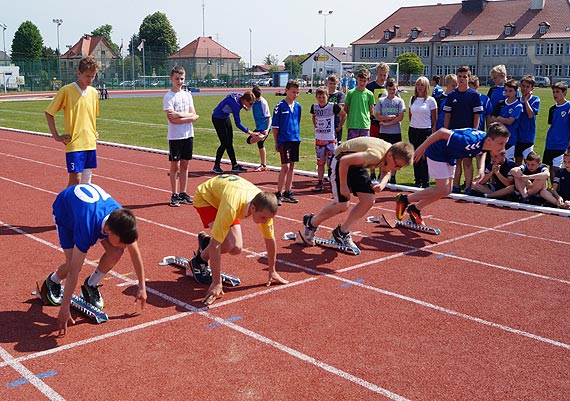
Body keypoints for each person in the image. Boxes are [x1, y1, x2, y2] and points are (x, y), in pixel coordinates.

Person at [43, 183, 147, 336]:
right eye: (122, 241)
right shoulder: (86, 228)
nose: (126, 246)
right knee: (72, 263)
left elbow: (135, 253)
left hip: (91, 212)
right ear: (107, 231)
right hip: (65, 212)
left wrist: (142, 286)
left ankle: (90, 285)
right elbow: (74, 271)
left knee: (117, 251)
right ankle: (52, 281)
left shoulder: (121, 221)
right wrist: (64, 308)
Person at [190, 175, 288, 305]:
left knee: (236, 248)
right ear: (253, 208)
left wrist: (272, 271)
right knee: (224, 243)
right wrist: (216, 282)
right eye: (263, 218)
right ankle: (197, 262)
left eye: (267, 219)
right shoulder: (231, 207)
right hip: (206, 198)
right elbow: (216, 245)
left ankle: (204, 244)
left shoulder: (264, 205)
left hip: (225, 196)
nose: (265, 222)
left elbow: (270, 240)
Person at [299, 138, 414, 249]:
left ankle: (342, 232)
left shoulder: (391, 153)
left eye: (401, 167)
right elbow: (345, 161)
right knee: (342, 205)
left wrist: (382, 184)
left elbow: (386, 171)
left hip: (356, 164)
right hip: (341, 161)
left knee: (368, 201)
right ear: (390, 156)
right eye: (397, 166)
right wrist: (344, 186)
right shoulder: (375, 155)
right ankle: (311, 223)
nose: (398, 169)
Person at [395, 122, 511, 226]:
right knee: (442, 189)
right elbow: (441, 132)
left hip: (450, 155)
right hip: (437, 152)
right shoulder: (468, 141)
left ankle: (415, 208)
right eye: (501, 143)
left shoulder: (486, 142)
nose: (503, 148)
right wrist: (421, 148)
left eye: (504, 144)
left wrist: (480, 169)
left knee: (447, 190)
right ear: (490, 140)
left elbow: (482, 151)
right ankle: (405, 199)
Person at [45, 56, 100, 187]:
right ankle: (69, 206)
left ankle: (83, 207)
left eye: (93, 76)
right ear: (79, 73)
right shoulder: (67, 91)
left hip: (90, 143)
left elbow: (91, 116)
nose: (90, 80)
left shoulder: (93, 92)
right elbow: (49, 113)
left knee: (87, 180)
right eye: (87, 76)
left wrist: (94, 132)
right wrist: (56, 136)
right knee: (75, 179)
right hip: (74, 143)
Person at [163, 66, 200, 207]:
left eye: (182, 79)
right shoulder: (168, 96)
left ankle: (183, 192)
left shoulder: (187, 95)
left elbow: (194, 114)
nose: (179, 81)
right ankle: (174, 194)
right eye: (177, 79)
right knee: (175, 165)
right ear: (171, 79)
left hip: (188, 134)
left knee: (185, 164)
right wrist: (189, 117)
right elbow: (172, 119)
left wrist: (180, 115)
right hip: (175, 136)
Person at [443, 66, 483, 195]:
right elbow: (447, 115)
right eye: (459, 76)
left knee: (467, 161)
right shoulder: (451, 95)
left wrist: (474, 132)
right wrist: (445, 131)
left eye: (464, 77)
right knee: (456, 161)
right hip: (455, 133)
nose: (461, 79)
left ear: (469, 78)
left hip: (468, 133)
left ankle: (468, 187)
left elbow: (477, 115)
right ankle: (455, 186)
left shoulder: (474, 95)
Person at [310, 86, 346, 192]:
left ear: (327, 97)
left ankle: (333, 182)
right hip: (319, 140)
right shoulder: (314, 107)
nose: (321, 99)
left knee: (332, 163)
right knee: (320, 163)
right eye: (319, 97)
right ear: (316, 97)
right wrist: (315, 126)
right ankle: (320, 182)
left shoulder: (333, 106)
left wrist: (339, 127)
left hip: (331, 139)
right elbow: (313, 116)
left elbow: (344, 115)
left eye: (323, 97)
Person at [272, 80, 302, 205]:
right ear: (286, 91)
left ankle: (287, 192)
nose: (295, 94)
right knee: (285, 167)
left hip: (295, 139)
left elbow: (298, 121)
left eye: (297, 92)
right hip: (284, 140)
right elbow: (275, 127)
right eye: (293, 92)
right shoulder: (279, 107)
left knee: (292, 167)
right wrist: (276, 142)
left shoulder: (298, 106)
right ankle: (278, 193)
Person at [211, 92, 256, 174]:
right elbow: (238, 124)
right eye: (250, 103)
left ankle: (234, 165)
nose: (251, 105)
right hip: (217, 118)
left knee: (230, 143)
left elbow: (230, 94)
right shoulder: (235, 106)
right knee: (224, 143)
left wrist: (243, 106)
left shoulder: (240, 96)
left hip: (225, 116)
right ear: (245, 100)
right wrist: (251, 133)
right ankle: (216, 166)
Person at [373, 78, 406, 184]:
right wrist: (388, 117)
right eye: (390, 89)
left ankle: (393, 176)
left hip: (395, 132)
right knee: (383, 154)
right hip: (384, 132)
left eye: (394, 89)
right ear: (387, 89)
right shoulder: (382, 101)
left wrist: (387, 123)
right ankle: (382, 174)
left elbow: (400, 117)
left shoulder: (399, 101)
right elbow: (377, 116)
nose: (392, 91)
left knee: (396, 155)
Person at [408, 76, 437, 188]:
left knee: (424, 156)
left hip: (426, 131)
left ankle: (426, 180)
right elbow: (411, 116)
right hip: (413, 130)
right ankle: (417, 180)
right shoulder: (412, 99)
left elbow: (434, 119)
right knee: (415, 155)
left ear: (426, 87)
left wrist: (432, 133)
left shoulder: (431, 101)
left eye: (422, 85)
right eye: (418, 85)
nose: (420, 87)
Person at [489, 79, 523, 161]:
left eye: (510, 91)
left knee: (509, 160)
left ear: (516, 91)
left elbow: (510, 121)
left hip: (511, 138)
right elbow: (492, 119)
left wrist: (499, 119)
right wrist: (501, 119)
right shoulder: (501, 103)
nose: (508, 93)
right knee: (497, 159)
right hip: (498, 137)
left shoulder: (518, 105)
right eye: (506, 91)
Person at [543, 81, 570, 184]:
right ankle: (554, 190)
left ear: (564, 92)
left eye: (557, 92)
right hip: (550, 142)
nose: (555, 94)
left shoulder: (568, 107)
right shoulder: (552, 109)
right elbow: (553, 125)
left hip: (562, 143)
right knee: (551, 167)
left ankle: (560, 190)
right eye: (553, 92)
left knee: (557, 168)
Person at [344, 68, 375, 140]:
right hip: (353, 124)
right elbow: (346, 108)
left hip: (364, 125)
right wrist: (353, 114)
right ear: (357, 79)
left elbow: (371, 109)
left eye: (364, 81)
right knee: (352, 148)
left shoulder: (369, 94)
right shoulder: (350, 93)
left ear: (368, 81)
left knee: (364, 148)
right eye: (360, 80)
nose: (362, 83)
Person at [516, 75, 541, 166]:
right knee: (518, 160)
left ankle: (530, 179)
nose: (524, 89)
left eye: (527, 87)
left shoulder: (535, 99)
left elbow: (530, 115)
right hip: (517, 135)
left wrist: (526, 100)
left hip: (528, 135)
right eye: (523, 86)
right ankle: (518, 180)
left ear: (532, 88)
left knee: (529, 161)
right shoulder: (516, 100)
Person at [247, 84, 271, 172]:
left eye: (257, 98)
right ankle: (263, 164)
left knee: (260, 144)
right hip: (258, 127)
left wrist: (267, 130)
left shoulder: (263, 102)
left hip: (264, 127)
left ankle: (263, 165)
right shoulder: (253, 102)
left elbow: (269, 117)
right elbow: (248, 108)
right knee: (250, 141)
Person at [326, 73, 346, 144]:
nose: (332, 86)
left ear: (337, 84)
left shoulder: (340, 95)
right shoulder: (324, 95)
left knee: (337, 144)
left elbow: (340, 107)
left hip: (336, 122)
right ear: (327, 83)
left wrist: (340, 125)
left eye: (334, 84)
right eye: (330, 83)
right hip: (326, 123)